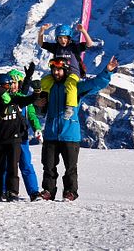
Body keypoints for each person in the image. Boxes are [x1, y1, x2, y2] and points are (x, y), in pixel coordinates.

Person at [38, 56, 118, 201]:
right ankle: (48, 191)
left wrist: (107, 72)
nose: (56, 72)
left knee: (70, 168)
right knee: (48, 166)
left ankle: (70, 192)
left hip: (70, 134)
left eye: (59, 70)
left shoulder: (75, 87)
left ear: (66, 70)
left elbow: (95, 84)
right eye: (54, 69)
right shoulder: (48, 87)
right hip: (51, 134)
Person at [37, 23, 94, 112]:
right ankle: (44, 106)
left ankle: (69, 107)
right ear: (57, 38)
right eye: (60, 38)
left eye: (65, 37)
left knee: (71, 84)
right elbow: (41, 44)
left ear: (69, 38)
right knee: (44, 82)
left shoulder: (74, 47)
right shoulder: (56, 47)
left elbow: (89, 44)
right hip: (58, 74)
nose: (62, 40)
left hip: (72, 74)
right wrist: (42, 31)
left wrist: (83, 31)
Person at [8, 68, 44, 201]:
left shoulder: (25, 100)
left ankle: (34, 192)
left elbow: (32, 116)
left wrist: (37, 128)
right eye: (12, 82)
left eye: (17, 82)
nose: (14, 85)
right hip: (6, 138)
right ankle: (7, 190)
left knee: (26, 164)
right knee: (8, 165)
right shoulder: (4, 98)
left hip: (22, 138)